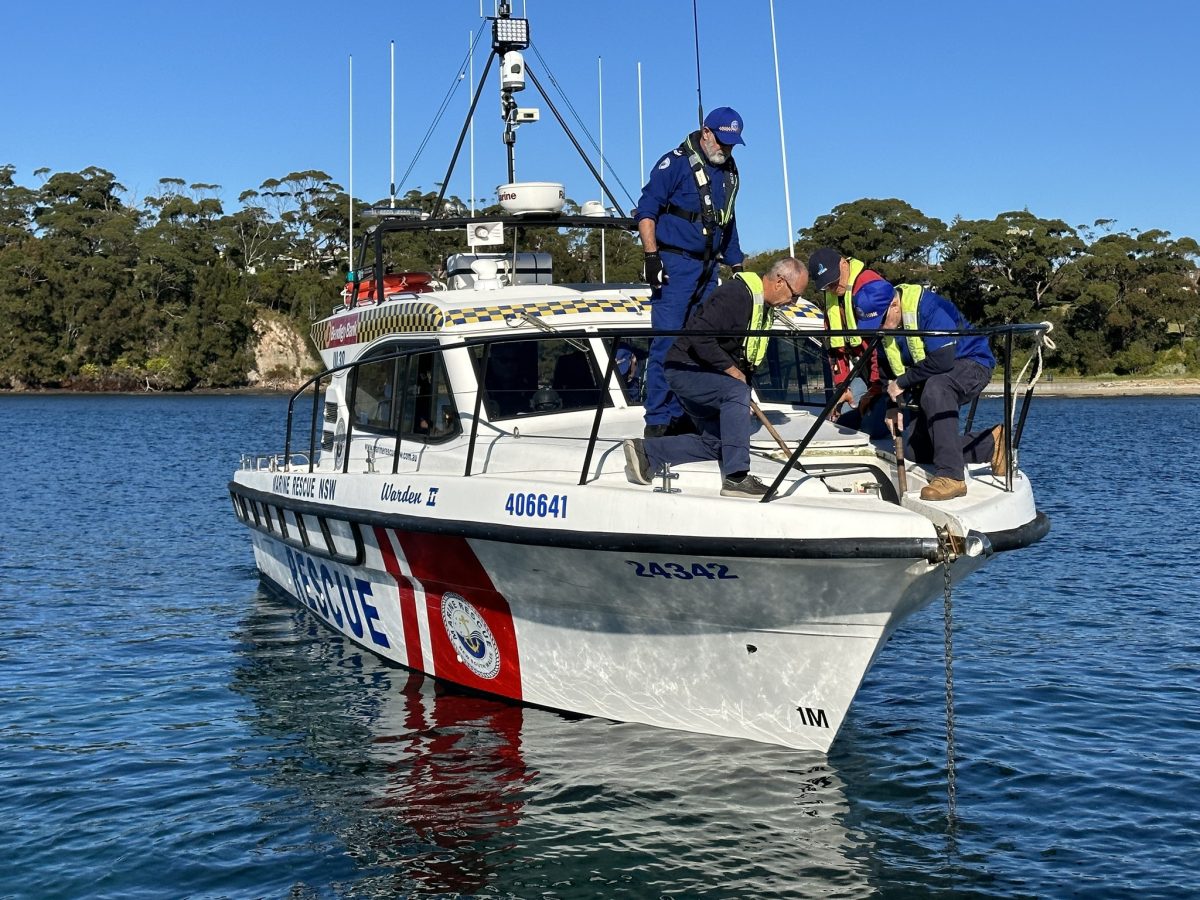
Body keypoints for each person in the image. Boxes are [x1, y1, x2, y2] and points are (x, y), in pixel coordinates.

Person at [622, 258, 807, 498]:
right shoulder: (736, 295)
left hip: (707, 375)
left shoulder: (764, 308)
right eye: (795, 296)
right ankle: (737, 478)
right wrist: (733, 374)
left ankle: (648, 452)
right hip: (685, 369)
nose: (793, 303)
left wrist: (738, 392)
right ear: (780, 282)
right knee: (737, 392)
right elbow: (700, 336)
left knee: (718, 443)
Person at [636, 107, 747, 438]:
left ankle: (685, 413)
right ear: (706, 132)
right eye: (722, 141)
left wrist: (737, 264)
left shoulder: (727, 172)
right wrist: (651, 257)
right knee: (667, 343)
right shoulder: (675, 163)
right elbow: (647, 209)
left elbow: (727, 220)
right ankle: (658, 419)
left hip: (708, 268)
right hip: (675, 266)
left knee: (698, 345)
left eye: (732, 145)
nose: (725, 150)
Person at [852, 280, 1009, 501]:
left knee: (937, 387)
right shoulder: (885, 327)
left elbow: (943, 360)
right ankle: (991, 443)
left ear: (895, 305)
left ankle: (952, 476)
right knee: (914, 450)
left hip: (972, 364)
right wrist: (892, 407)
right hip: (932, 377)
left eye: (881, 320)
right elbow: (888, 372)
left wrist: (903, 382)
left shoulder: (928, 307)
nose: (879, 328)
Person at [806, 247, 890, 438]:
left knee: (872, 428)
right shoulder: (832, 297)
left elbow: (881, 345)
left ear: (844, 263)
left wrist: (875, 389)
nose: (833, 287)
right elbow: (833, 346)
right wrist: (842, 386)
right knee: (840, 424)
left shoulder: (869, 285)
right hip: (861, 369)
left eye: (834, 280)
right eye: (827, 285)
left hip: (884, 371)